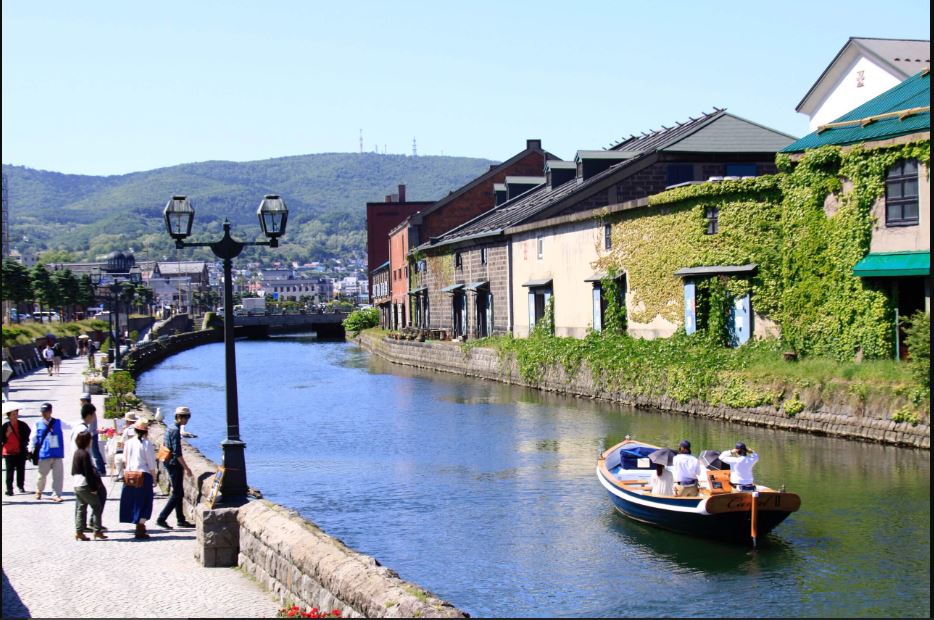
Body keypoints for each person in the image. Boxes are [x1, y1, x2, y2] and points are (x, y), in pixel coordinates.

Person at [156, 407, 195, 529]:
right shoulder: (175, 430)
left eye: (188, 417)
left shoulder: (171, 427)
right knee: (177, 493)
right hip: (174, 464)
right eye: (185, 417)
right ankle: (161, 518)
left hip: (169, 462)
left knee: (179, 492)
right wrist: (187, 468)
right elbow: (177, 453)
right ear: (179, 417)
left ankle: (180, 519)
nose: (187, 420)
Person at [119, 419, 157, 539]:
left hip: (130, 475)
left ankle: (137, 524)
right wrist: (154, 478)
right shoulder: (146, 444)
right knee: (145, 502)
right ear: (146, 431)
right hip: (143, 475)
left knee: (133, 501)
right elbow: (151, 464)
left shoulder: (129, 442)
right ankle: (140, 526)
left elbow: (125, 460)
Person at [72, 431, 107, 540]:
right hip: (85, 483)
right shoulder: (85, 454)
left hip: (76, 483)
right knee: (96, 506)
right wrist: (93, 488)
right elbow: (88, 473)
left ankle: (79, 531)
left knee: (81, 507)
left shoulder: (77, 452)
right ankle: (97, 530)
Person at [34, 402, 67, 502]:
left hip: (57, 453)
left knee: (58, 476)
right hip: (45, 453)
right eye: (42, 412)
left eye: (46, 412)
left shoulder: (58, 422)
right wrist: (31, 447)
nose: (44, 414)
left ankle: (56, 494)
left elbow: (69, 425)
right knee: (41, 475)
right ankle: (39, 491)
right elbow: (33, 437)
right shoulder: (38, 424)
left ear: (50, 412)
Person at [2, 401, 31, 495]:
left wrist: (24, 443)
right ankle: (9, 489)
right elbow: (2, 439)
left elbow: (28, 435)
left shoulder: (22, 425)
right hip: (9, 452)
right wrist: (7, 434)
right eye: (13, 414)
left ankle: (20, 485)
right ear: (9, 416)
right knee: (9, 471)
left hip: (20, 451)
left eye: (16, 414)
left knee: (21, 469)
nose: (15, 416)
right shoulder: (5, 426)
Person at [79, 393, 106, 475]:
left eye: (81, 400)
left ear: (85, 401)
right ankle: (100, 469)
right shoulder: (88, 409)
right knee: (94, 452)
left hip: (92, 434)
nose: (80, 402)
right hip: (92, 434)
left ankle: (101, 470)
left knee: (95, 453)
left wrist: (85, 433)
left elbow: (90, 425)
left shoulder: (90, 410)